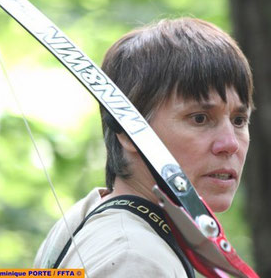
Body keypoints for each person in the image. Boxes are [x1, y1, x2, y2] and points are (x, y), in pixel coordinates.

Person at [34, 17, 254, 277]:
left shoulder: (92, 217)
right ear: (128, 132)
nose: (229, 144)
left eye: (239, 120)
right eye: (199, 118)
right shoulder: (136, 259)